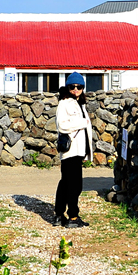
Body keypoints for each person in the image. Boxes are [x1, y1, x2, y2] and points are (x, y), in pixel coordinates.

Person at [53, 72, 95, 228]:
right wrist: (82, 122)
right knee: (74, 185)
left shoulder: (80, 104)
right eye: (72, 87)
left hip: (78, 150)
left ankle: (59, 215)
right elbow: (62, 125)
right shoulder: (64, 103)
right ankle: (73, 217)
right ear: (68, 87)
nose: (76, 89)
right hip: (70, 150)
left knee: (66, 183)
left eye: (79, 87)